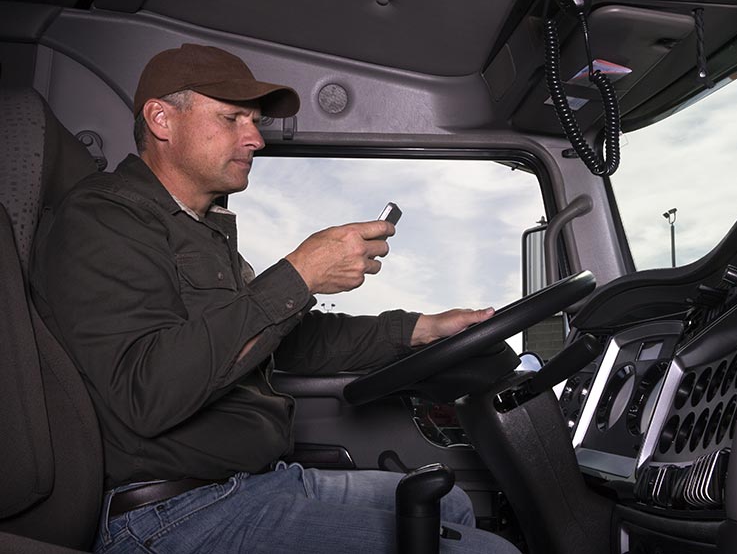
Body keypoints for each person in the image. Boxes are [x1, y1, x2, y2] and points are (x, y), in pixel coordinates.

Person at [30, 43, 519, 553]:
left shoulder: (201, 232)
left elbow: (289, 343)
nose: (256, 139)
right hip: (173, 513)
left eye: (255, 121)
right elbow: (147, 392)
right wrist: (300, 274)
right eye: (232, 118)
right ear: (161, 120)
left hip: (253, 482)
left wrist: (424, 328)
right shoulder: (102, 219)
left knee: (454, 503)